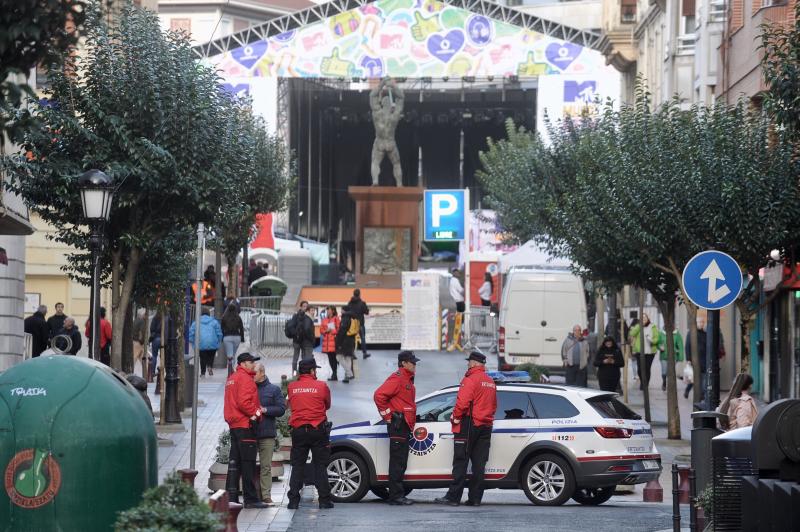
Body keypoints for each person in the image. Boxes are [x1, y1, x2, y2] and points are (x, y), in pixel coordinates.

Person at [435, 352, 497, 507]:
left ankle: (453, 497)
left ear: (475, 363)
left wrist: (455, 418)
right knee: (479, 465)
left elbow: (462, 402)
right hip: (486, 426)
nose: (467, 364)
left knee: (460, 462)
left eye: (469, 362)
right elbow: (494, 405)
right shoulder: (490, 381)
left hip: (469, 425)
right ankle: (475, 499)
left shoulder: (470, 379)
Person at [373, 351, 420, 505]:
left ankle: (397, 494)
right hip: (398, 426)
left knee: (401, 462)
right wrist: (389, 417)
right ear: (404, 363)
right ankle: (395, 496)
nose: (415, 365)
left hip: (404, 426)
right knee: (397, 462)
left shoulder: (406, 378)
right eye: (412, 362)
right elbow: (379, 395)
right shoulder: (398, 378)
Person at [286, 358, 333, 510]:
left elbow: (291, 404)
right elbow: (327, 405)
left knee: (297, 465)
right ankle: (324, 501)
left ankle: (293, 501)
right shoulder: (321, 386)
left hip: (298, 430)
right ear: (312, 371)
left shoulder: (292, 387)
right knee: (320, 465)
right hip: (318, 429)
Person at [223, 352, 268, 509]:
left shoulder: (232, 378)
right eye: (251, 362)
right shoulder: (246, 379)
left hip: (234, 425)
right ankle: (250, 499)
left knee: (234, 463)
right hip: (245, 425)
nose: (253, 365)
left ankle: (231, 497)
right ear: (242, 364)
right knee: (248, 464)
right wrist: (257, 413)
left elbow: (232, 402)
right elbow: (244, 403)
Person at [254, 362, 286, 505]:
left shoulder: (273, 389)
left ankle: (266, 495)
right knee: (248, 465)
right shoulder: (249, 388)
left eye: (254, 373)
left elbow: (281, 409)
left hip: (267, 433)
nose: (251, 375)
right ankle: (252, 494)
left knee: (266, 466)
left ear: (262, 373)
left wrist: (266, 410)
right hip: (250, 432)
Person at [187, 307, 223, 377]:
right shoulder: (214, 322)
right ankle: (209, 366)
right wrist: (218, 341)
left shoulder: (196, 322)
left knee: (202, 358)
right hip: (212, 342)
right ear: (209, 314)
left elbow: (191, 333)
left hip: (200, 343)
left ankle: (203, 373)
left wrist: (192, 342)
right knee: (211, 356)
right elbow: (219, 333)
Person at [629, 314, 659, 390]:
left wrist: (652, 340)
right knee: (640, 369)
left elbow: (657, 338)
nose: (644, 319)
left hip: (650, 352)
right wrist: (639, 326)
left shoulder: (653, 327)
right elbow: (632, 333)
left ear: (648, 318)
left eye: (645, 318)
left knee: (647, 368)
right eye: (642, 318)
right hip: (639, 351)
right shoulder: (638, 327)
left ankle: (645, 385)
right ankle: (642, 382)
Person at [287, 301, 314, 375]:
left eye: (306, 306)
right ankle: (295, 374)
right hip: (297, 341)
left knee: (303, 357)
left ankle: (302, 373)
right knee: (296, 358)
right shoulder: (296, 316)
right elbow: (291, 326)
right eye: (304, 306)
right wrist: (296, 334)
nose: (305, 308)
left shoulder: (305, 316)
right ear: (301, 307)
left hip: (303, 341)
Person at [336, 304, 359, 383]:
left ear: (344, 310)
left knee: (338, 357)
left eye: (341, 309)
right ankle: (347, 376)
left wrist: (338, 342)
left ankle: (349, 374)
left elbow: (342, 331)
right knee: (348, 358)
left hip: (344, 341)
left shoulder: (345, 317)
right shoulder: (354, 317)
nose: (340, 311)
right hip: (351, 340)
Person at [221, 303, 245, 376]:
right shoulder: (238, 317)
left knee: (229, 354)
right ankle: (232, 369)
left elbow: (222, 328)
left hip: (227, 337)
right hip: (236, 337)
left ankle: (230, 368)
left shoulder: (224, 317)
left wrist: (222, 337)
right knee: (233, 354)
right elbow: (241, 328)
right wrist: (242, 338)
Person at [348, 289, 371, 360]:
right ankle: (364, 353)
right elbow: (366, 312)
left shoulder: (350, 303)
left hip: (352, 323)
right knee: (363, 338)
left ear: (353, 294)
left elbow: (347, 311)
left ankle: (352, 354)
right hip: (360, 323)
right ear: (359, 294)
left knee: (352, 339)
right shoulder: (362, 303)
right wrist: (368, 309)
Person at [321, 306, 340, 381]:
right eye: (327, 310)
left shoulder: (336, 318)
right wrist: (325, 331)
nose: (327, 311)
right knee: (330, 359)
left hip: (334, 341)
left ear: (333, 311)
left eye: (329, 310)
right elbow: (321, 330)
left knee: (334, 358)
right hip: (327, 343)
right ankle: (334, 373)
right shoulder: (324, 320)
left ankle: (334, 374)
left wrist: (331, 331)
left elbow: (339, 329)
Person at [132, 308, 147, 378]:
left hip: (135, 341)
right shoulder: (141, 321)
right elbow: (142, 332)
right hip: (138, 343)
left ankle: (146, 374)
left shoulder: (136, 320)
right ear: (143, 314)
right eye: (145, 314)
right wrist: (142, 341)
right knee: (135, 359)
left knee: (143, 359)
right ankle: (131, 373)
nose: (146, 315)